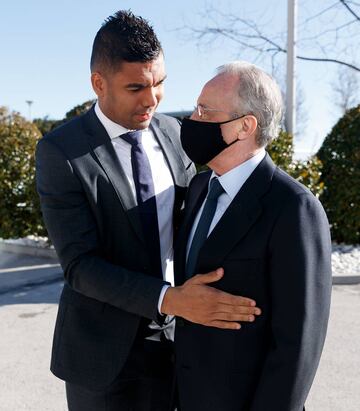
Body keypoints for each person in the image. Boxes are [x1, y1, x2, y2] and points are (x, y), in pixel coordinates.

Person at [36, 12, 260, 411]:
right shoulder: (61, 152)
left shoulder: (175, 133)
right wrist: (170, 299)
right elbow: (80, 266)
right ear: (98, 83)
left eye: (159, 83)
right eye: (136, 87)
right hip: (102, 358)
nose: (151, 99)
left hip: (179, 344)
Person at [168, 61, 332, 411]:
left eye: (205, 111)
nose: (192, 119)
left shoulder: (293, 207)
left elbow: (297, 347)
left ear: (245, 126)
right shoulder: (198, 188)